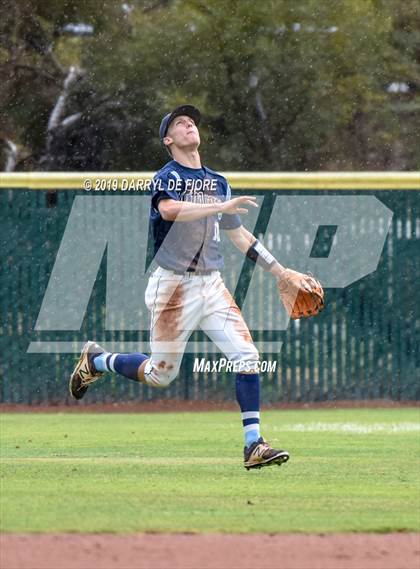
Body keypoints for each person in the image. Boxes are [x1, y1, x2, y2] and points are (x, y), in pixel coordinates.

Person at [69, 104, 290, 470]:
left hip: (212, 285)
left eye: (192, 122)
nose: (189, 125)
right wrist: (219, 205)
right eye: (180, 124)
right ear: (168, 140)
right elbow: (170, 210)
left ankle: (254, 444)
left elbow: (238, 235)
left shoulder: (218, 182)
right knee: (160, 375)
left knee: (248, 357)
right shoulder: (167, 176)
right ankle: (97, 360)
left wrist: (280, 271)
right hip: (173, 287)